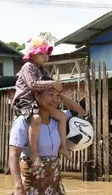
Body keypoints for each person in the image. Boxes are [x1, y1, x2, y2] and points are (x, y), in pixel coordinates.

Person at [8, 79, 86, 195]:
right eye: (49, 95)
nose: (54, 99)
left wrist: (59, 92)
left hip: (54, 180)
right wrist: (18, 188)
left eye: (57, 96)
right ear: (36, 95)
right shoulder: (24, 121)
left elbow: (80, 112)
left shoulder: (58, 118)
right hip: (34, 178)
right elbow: (13, 156)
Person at [13, 36, 79, 168]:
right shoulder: (28, 66)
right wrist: (52, 83)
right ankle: (33, 152)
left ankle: (63, 147)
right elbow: (32, 84)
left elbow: (48, 85)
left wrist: (55, 89)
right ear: (31, 55)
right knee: (36, 119)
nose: (45, 57)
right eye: (41, 54)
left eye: (46, 53)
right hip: (24, 102)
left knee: (61, 116)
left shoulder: (43, 69)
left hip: (37, 101)